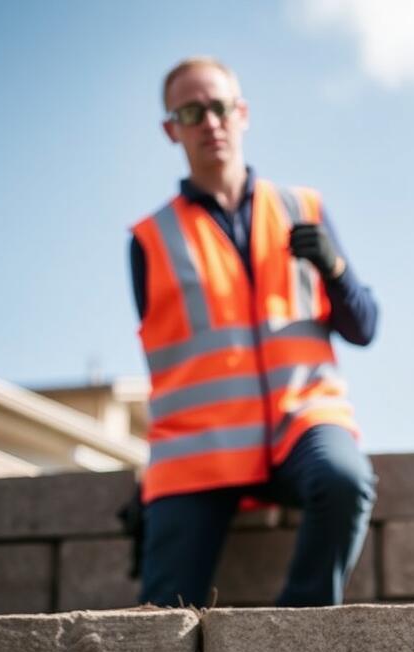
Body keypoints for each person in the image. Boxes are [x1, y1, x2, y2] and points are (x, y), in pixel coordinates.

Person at [128, 56, 378, 607]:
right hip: (200, 448)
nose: (209, 122)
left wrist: (335, 268)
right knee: (159, 624)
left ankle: (291, 632)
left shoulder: (302, 208)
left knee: (345, 480)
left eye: (218, 107)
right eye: (191, 112)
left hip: (302, 425)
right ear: (172, 129)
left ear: (241, 113)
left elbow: (364, 327)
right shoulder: (150, 238)